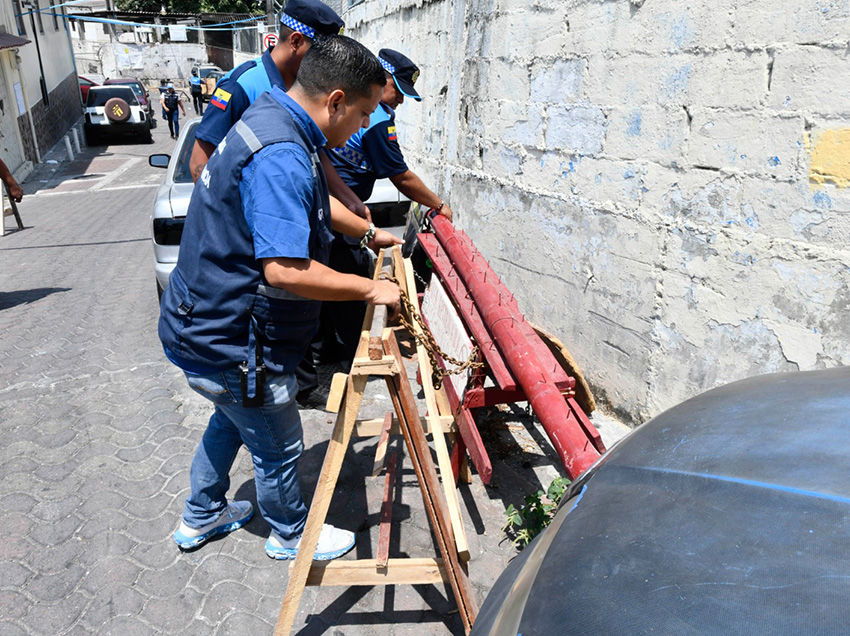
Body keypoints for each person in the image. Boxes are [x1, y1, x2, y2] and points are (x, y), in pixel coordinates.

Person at [159, 35, 402, 560]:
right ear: (335, 100)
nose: (363, 127)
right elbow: (285, 269)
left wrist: (365, 233)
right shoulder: (283, 152)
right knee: (280, 445)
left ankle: (201, 516)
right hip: (231, 341)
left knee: (231, 419)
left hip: (198, 323)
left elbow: (308, 207)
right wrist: (370, 287)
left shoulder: (276, 113)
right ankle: (292, 534)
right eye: (361, 113)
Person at [298, 48, 453, 399]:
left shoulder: (368, 115)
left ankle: (326, 349)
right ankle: (359, 354)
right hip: (339, 214)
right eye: (397, 91)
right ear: (380, 81)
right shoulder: (378, 121)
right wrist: (438, 205)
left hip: (341, 207)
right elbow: (401, 177)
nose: (398, 102)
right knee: (348, 279)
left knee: (326, 278)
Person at [187, 0, 369, 219]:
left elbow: (316, 152)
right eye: (322, 55)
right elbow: (200, 163)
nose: (329, 64)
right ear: (296, 41)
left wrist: (350, 200)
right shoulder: (241, 86)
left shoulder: (307, 89)